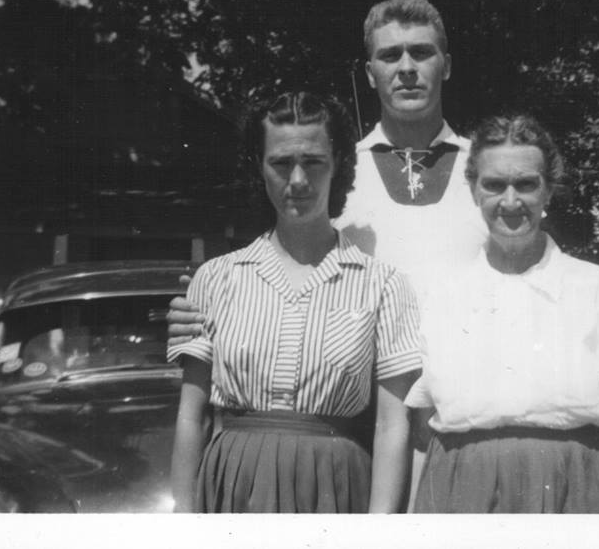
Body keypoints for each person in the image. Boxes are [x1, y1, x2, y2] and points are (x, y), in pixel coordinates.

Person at [168, 0, 599, 346]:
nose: (407, 68)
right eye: (389, 55)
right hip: (364, 411)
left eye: (421, 52)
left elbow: (542, 274)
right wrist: (206, 310)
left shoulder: (491, 176)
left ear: (447, 65)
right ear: (369, 72)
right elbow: (285, 270)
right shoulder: (332, 176)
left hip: (467, 400)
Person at [168, 92, 421, 513]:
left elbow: (392, 426)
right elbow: (190, 417)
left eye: (314, 162)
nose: (298, 180)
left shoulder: (383, 284)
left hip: (333, 486)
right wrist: (184, 519)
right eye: (281, 163)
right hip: (235, 482)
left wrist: (380, 532)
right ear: (259, 167)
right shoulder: (215, 278)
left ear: (338, 164)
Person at [407, 115, 599, 513]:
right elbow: (423, 437)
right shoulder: (441, 293)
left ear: (549, 192)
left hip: (575, 494)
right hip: (458, 494)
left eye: (526, 184)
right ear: (474, 190)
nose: (510, 201)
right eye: (494, 185)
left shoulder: (593, 286)